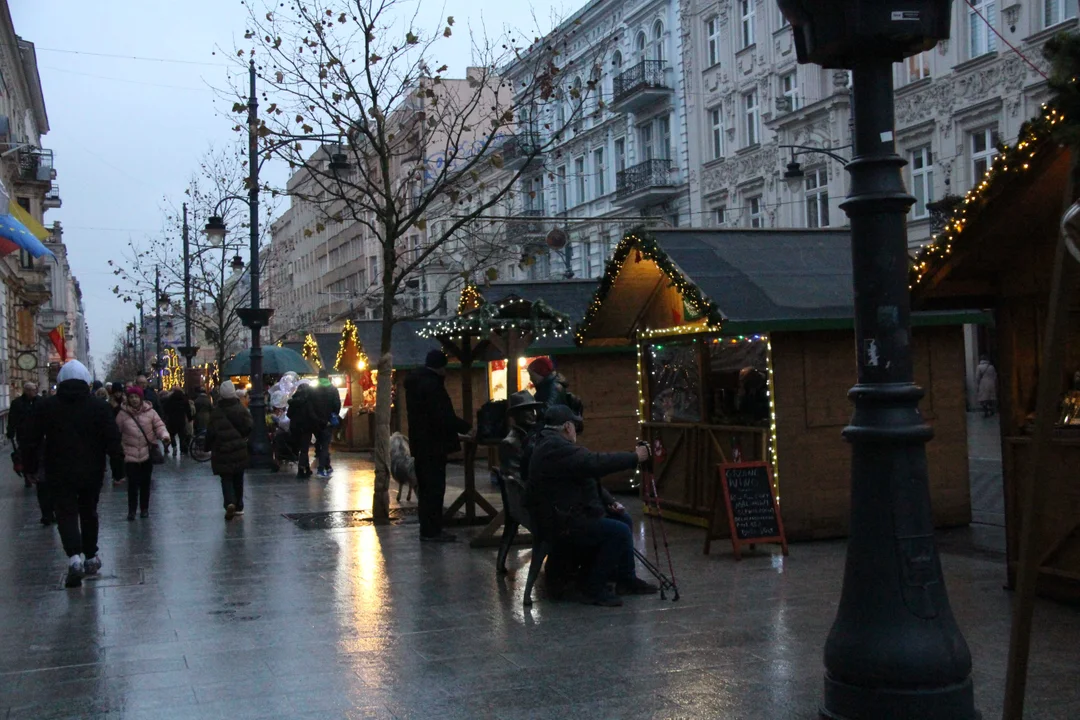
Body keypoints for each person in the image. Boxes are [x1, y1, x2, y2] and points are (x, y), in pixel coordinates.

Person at [526, 405, 656, 606]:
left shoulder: (548, 443)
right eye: (575, 427)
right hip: (564, 522)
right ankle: (593, 586)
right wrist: (635, 457)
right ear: (568, 427)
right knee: (619, 531)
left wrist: (608, 501)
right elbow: (594, 463)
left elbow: (586, 474)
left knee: (623, 519)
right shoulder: (556, 448)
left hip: (561, 513)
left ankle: (626, 579)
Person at [21, 361, 124, 588]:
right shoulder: (99, 407)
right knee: (89, 512)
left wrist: (29, 468)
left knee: (66, 513)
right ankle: (90, 556)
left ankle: (74, 558)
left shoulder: (47, 407)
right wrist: (118, 469)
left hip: (59, 470)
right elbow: (112, 440)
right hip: (92, 470)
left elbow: (31, 440)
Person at [404, 349, 472, 543]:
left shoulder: (415, 383)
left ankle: (427, 528)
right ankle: (432, 531)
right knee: (434, 488)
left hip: (420, 444)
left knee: (425, 489)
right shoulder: (432, 385)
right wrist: (466, 427)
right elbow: (443, 415)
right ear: (440, 367)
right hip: (434, 445)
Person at [115, 386, 169, 520]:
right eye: (131, 397)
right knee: (132, 485)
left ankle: (144, 509)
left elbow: (159, 426)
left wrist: (164, 436)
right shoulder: (122, 414)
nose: (134, 399)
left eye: (136, 397)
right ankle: (132, 511)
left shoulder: (150, 412)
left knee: (145, 483)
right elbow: (116, 432)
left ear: (141, 398)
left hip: (147, 453)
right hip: (130, 454)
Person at [205, 380, 254, 520]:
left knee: (226, 478)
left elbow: (210, 432)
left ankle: (229, 503)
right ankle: (239, 506)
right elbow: (249, 426)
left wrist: (207, 446)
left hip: (222, 450)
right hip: (238, 449)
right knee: (238, 478)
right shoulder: (240, 409)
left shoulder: (216, 412)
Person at [8, 381, 39, 488]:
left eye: (35, 389)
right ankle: (27, 476)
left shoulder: (40, 401)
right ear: (26, 391)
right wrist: (10, 432)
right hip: (23, 435)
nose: (35, 392)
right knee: (25, 456)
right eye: (32, 390)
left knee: (37, 455)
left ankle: (35, 474)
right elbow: (12, 419)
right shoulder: (17, 403)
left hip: (37, 434)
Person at [287, 382, 322, 479]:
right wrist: (319, 422)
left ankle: (307, 468)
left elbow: (289, 414)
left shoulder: (293, 402)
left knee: (301, 448)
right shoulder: (308, 402)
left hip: (295, 428)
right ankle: (301, 469)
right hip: (306, 428)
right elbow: (311, 415)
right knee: (304, 449)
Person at [313, 369, 342, 478]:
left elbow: (311, 406)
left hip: (317, 422)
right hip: (328, 422)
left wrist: (315, 417)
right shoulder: (333, 389)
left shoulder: (314, 390)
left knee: (320, 444)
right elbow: (337, 405)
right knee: (325, 445)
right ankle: (321, 469)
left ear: (319, 377)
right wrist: (332, 416)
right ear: (327, 377)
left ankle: (328, 466)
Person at [163, 387, 193, 456]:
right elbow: (188, 410)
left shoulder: (170, 399)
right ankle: (182, 450)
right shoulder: (184, 399)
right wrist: (190, 418)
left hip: (172, 420)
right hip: (181, 420)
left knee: (172, 435)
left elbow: (165, 409)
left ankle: (174, 447)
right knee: (182, 436)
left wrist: (166, 417)